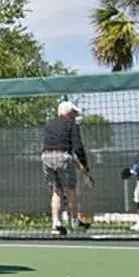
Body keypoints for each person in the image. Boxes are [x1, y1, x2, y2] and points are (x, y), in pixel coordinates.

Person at [41, 99, 89, 236]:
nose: (75, 115)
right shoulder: (72, 125)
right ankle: (74, 221)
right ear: (68, 112)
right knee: (71, 189)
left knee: (57, 190)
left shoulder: (50, 125)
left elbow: (55, 144)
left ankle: (56, 223)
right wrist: (85, 166)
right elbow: (78, 147)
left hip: (46, 157)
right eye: (73, 112)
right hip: (63, 157)